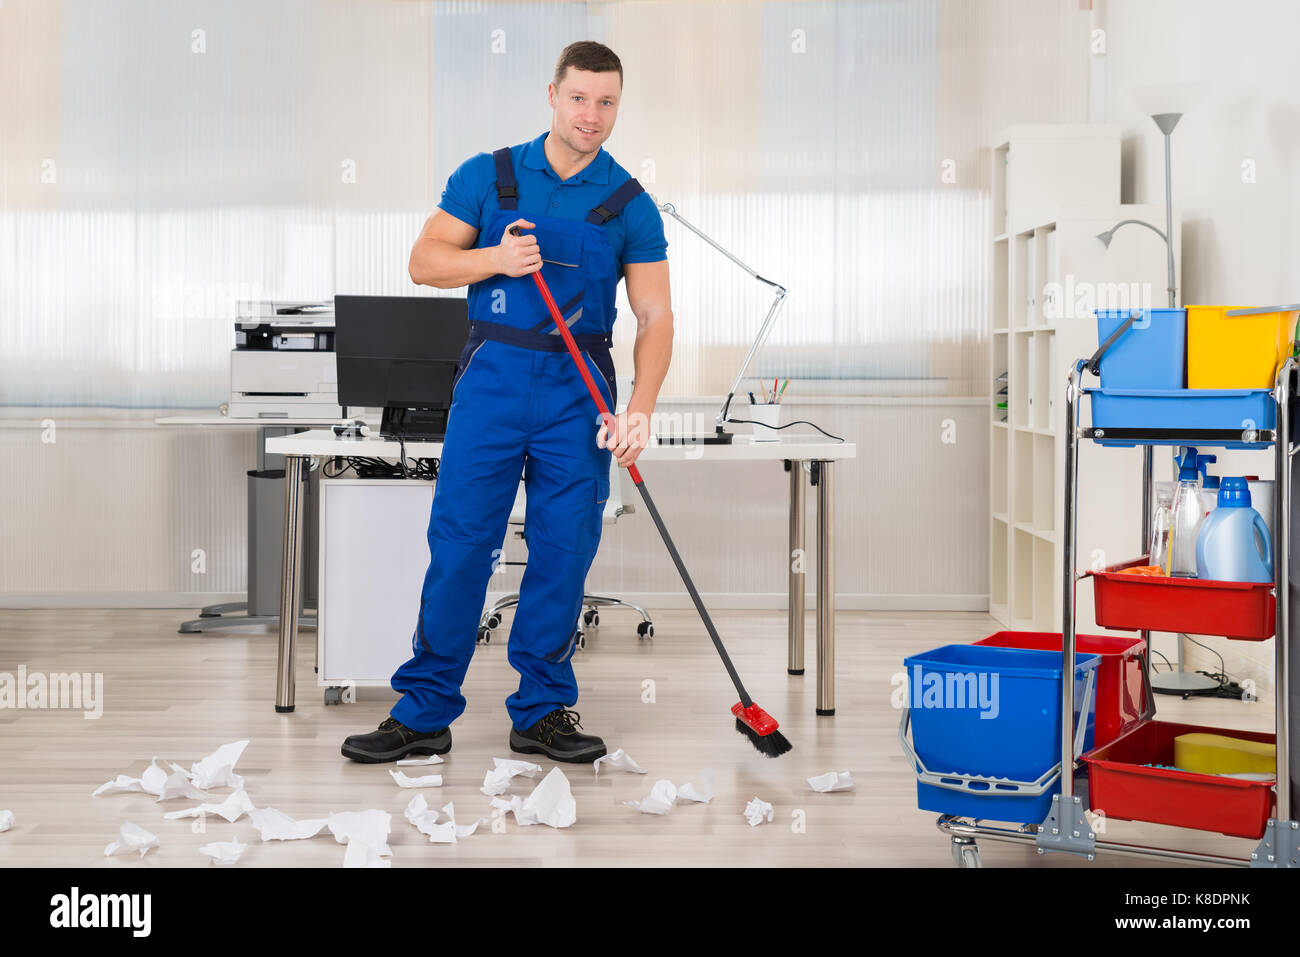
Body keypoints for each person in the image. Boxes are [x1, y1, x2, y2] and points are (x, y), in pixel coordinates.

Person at [342, 41, 673, 764]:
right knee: (460, 546)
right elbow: (425, 261)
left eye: (607, 102)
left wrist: (641, 406)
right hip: (490, 387)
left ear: (619, 105)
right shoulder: (486, 177)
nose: (592, 115)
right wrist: (495, 257)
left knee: (562, 553)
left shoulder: (629, 202)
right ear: (551, 94)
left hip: (578, 398)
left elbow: (655, 317)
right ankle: (425, 711)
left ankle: (543, 711)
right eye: (579, 98)